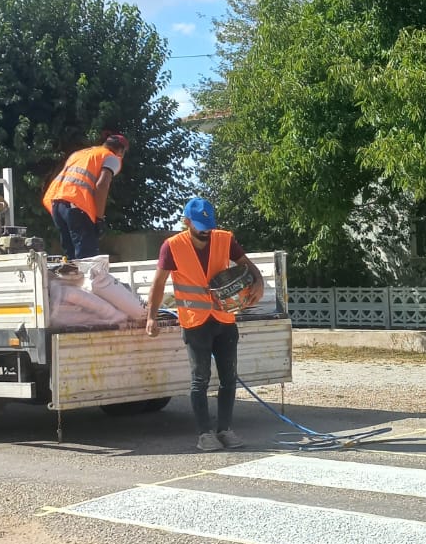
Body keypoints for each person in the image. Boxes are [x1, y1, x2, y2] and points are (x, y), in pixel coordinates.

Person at [144, 197, 265, 452]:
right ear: (186, 222)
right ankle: (204, 434)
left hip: (224, 318)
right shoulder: (172, 246)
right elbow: (158, 283)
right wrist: (152, 317)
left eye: (208, 224)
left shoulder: (224, 239)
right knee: (200, 379)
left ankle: (225, 430)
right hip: (195, 322)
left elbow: (248, 266)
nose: (205, 231)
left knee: (228, 378)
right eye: (199, 225)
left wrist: (259, 281)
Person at [42, 134, 129, 259]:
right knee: (87, 257)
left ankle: (73, 278)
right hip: (76, 205)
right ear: (120, 150)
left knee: (71, 258)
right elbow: (102, 185)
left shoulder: (79, 154)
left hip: (57, 205)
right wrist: (99, 219)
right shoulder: (111, 158)